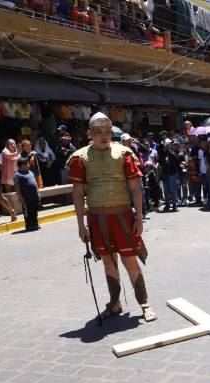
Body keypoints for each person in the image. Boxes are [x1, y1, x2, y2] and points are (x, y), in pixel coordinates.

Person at [67, 112, 157, 322]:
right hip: (98, 219)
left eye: (107, 131)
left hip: (123, 217)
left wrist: (140, 217)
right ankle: (115, 303)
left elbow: (135, 188)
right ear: (90, 133)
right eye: (98, 132)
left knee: (130, 261)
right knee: (108, 263)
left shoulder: (124, 153)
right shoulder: (81, 157)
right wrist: (81, 225)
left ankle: (144, 303)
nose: (103, 136)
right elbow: (78, 193)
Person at [13, 157, 40, 231]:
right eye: (27, 164)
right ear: (22, 165)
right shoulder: (17, 174)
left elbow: (35, 183)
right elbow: (17, 187)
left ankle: (35, 224)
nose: (29, 165)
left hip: (34, 196)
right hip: (26, 198)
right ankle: (29, 226)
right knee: (28, 212)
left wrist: (38, 192)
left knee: (34, 211)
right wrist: (20, 197)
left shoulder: (30, 172)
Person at [157, 139, 179, 212]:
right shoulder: (161, 153)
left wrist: (168, 152)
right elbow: (159, 162)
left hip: (172, 173)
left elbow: (176, 159)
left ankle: (174, 205)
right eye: (164, 145)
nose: (164, 146)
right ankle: (167, 204)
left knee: (172, 190)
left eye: (166, 145)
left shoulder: (172, 152)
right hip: (165, 174)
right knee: (166, 190)